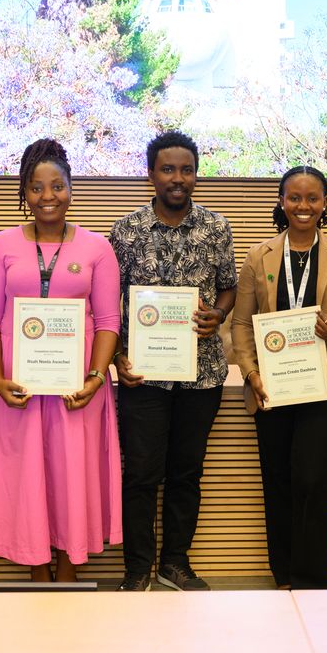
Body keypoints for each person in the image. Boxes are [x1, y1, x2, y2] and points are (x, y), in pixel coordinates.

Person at [0, 139, 121, 582]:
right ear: (24, 192)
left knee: (73, 472)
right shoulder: (0, 246)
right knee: (26, 473)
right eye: (36, 187)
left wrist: (96, 377)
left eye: (57, 186)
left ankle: (69, 566)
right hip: (17, 386)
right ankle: (37, 565)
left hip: (78, 387)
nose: (47, 196)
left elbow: (108, 320)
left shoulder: (97, 248)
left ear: (71, 189)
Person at [231, 166, 327, 589]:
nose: (303, 206)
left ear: (325, 203)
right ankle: (284, 577)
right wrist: (251, 372)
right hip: (272, 387)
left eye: (312, 198)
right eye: (294, 197)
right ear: (281, 201)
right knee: (278, 483)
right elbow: (241, 324)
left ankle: (313, 583)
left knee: (314, 482)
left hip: (322, 388)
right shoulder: (258, 256)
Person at [109, 131, 237, 591]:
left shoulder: (217, 227)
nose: (177, 178)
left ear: (196, 175)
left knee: (186, 474)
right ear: (151, 174)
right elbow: (107, 302)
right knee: (141, 475)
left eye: (186, 170)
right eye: (168, 169)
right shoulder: (126, 231)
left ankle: (174, 564)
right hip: (143, 376)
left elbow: (228, 287)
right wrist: (117, 356)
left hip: (201, 376)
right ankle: (137, 569)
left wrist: (218, 314)